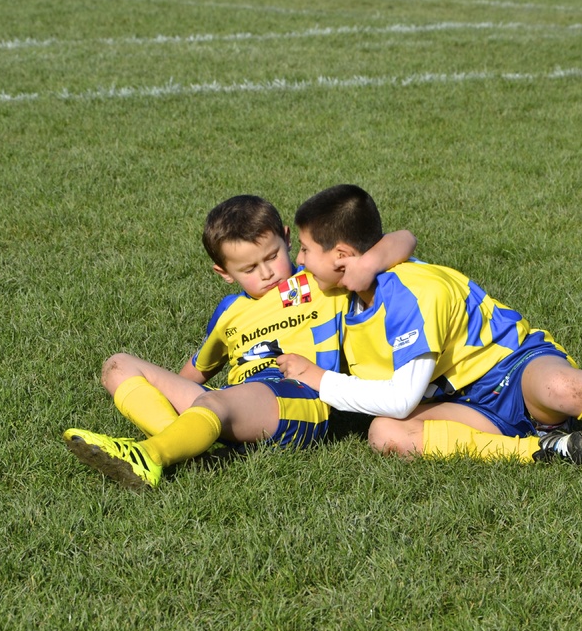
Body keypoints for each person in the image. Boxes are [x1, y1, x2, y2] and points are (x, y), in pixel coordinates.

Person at [277, 184, 582, 475]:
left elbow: (402, 399)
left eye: (305, 249)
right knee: (385, 435)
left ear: (343, 257)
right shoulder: (329, 286)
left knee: (563, 388)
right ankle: (542, 450)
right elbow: (266, 291)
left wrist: (320, 380)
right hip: (464, 404)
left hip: (514, 369)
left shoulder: (414, 293)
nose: (299, 259)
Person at [63, 194, 416, 490]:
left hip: (298, 397)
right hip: (238, 401)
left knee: (214, 403)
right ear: (224, 273)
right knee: (118, 366)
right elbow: (191, 375)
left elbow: (403, 239)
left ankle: (150, 456)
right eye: (249, 269)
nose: (267, 273)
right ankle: (189, 444)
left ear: (287, 239)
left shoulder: (318, 281)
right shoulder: (229, 312)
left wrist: (368, 265)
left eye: (272, 256)